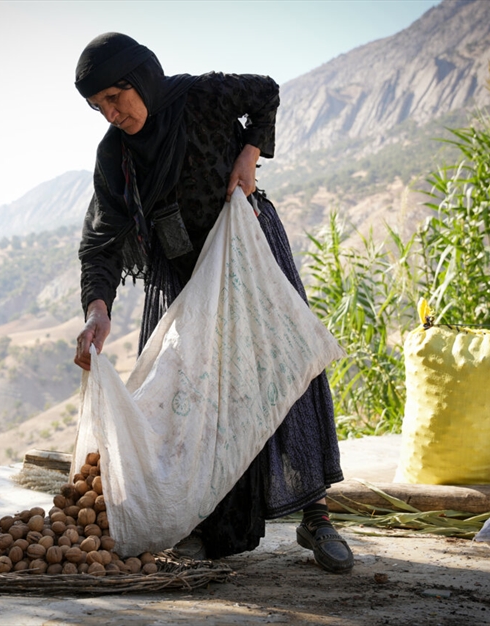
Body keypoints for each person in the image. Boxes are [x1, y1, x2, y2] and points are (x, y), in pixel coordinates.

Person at [71, 32, 353, 574]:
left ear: (141, 78)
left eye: (115, 97)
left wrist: (249, 153)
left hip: (248, 257)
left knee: (282, 372)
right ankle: (205, 523)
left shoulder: (197, 98)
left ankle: (315, 516)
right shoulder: (116, 157)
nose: (110, 113)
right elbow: (100, 243)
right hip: (185, 279)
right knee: (193, 396)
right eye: (98, 106)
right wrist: (97, 311)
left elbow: (264, 93)